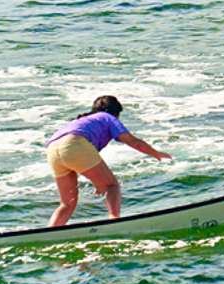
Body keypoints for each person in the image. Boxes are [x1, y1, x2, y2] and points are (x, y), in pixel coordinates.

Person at [45, 95, 171, 226]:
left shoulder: (82, 121)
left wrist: (98, 183)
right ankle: (114, 221)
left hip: (52, 149)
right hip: (74, 144)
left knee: (67, 203)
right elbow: (133, 142)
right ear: (116, 113)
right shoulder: (107, 117)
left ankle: (50, 232)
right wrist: (156, 153)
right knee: (112, 186)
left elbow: (79, 159)